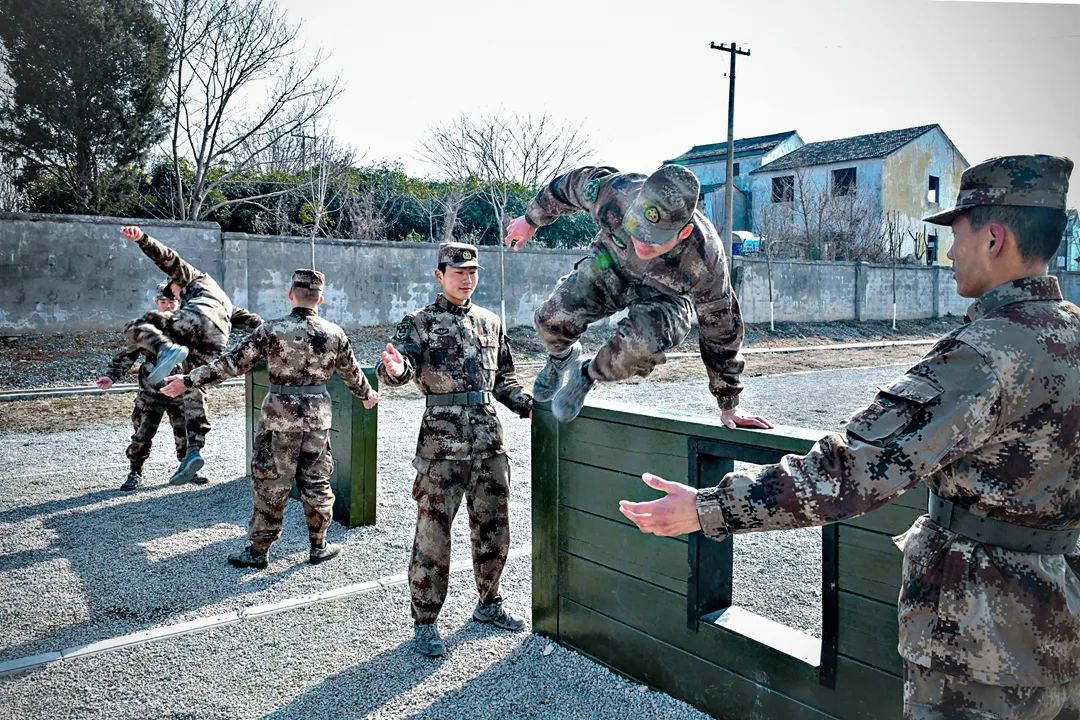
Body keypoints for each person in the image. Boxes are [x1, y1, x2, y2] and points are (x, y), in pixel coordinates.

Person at [619, 155, 1080, 719]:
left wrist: (708, 508)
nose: (950, 252)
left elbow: (852, 469)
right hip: (1063, 628)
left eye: (956, 235)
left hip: (984, 647)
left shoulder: (986, 354)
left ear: (993, 237)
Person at [503, 164, 771, 428]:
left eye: (654, 238)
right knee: (551, 320)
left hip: (666, 296)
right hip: (609, 264)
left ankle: (585, 374)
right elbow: (571, 184)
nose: (642, 242)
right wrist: (530, 219)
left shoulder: (706, 260)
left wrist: (729, 403)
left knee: (638, 349)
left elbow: (721, 330)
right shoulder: (617, 192)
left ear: (684, 232)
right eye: (636, 228)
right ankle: (563, 359)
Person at [161, 269, 378, 569]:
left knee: (270, 483)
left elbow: (230, 364)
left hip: (280, 419)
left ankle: (259, 551)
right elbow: (351, 373)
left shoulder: (271, 331)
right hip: (317, 420)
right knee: (316, 482)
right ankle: (319, 545)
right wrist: (367, 395)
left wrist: (188, 380)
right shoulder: (334, 333)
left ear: (291, 295)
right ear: (321, 299)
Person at [377, 242, 533, 658]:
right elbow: (400, 367)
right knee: (432, 535)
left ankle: (489, 603)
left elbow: (505, 381)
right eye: (457, 271)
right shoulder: (419, 323)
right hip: (441, 447)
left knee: (494, 528)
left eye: (472, 272)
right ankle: (425, 622)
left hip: (488, 445)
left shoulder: (491, 322)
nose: (466, 278)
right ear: (439, 274)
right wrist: (393, 370)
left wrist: (532, 405)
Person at [121, 225, 263, 485]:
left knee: (139, 324)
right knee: (194, 385)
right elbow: (255, 322)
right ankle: (194, 452)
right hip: (216, 340)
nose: (174, 295)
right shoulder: (225, 301)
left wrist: (142, 239)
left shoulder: (194, 279)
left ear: (178, 283)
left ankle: (166, 349)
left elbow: (168, 258)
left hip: (195, 324)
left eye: (172, 291)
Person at [96, 282, 209, 490]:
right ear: (156, 303)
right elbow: (128, 353)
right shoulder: (148, 328)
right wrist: (112, 376)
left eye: (171, 301)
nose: (167, 306)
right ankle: (135, 472)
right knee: (142, 433)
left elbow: (202, 356)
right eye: (163, 302)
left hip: (180, 390)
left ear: (179, 302)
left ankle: (188, 469)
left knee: (185, 432)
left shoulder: (188, 327)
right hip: (151, 392)